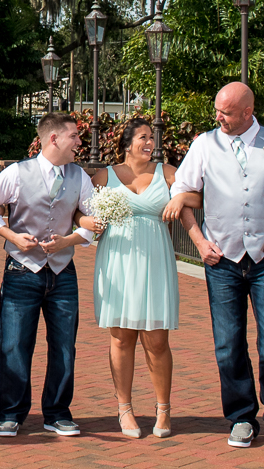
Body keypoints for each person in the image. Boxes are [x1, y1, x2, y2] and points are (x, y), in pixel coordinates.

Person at [160, 82, 264, 451]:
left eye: (226, 112)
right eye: (217, 110)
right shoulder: (204, 145)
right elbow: (181, 193)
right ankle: (242, 417)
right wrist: (199, 242)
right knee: (229, 344)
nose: (219, 117)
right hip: (222, 260)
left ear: (248, 112)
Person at [0, 112, 96, 438]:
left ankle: (57, 413)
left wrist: (68, 240)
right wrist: (12, 236)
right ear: (54, 138)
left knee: (64, 347)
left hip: (63, 272)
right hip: (21, 271)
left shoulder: (79, 176)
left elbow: (94, 219)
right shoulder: (16, 172)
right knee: (14, 344)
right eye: (74, 136)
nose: (79, 142)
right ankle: (11, 414)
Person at [90, 118, 180, 439]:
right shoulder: (104, 176)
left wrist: (180, 199)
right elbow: (79, 207)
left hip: (155, 258)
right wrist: (88, 220)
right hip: (117, 259)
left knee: (157, 339)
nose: (150, 143)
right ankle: (124, 408)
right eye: (143, 137)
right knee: (121, 336)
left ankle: (163, 408)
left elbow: (196, 196)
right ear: (127, 143)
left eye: (152, 138)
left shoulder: (167, 173)